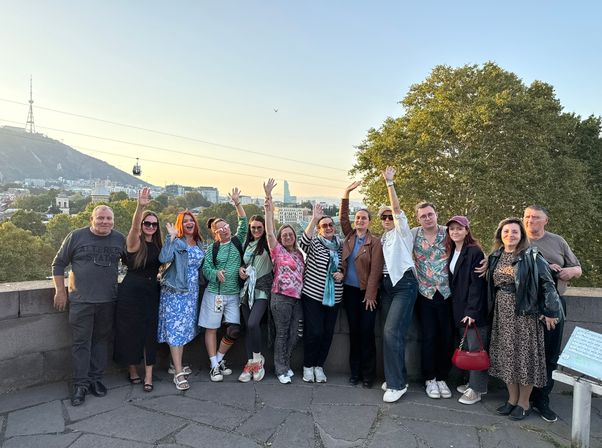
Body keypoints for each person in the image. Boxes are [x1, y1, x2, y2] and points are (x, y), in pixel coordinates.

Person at [487, 217, 561, 420]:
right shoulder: (495, 256)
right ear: (500, 235)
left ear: (521, 235)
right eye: (506, 231)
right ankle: (512, 400)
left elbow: (547, 283)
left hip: (525, 314)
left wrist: (551, 311)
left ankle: (524, 403)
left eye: (515, 232)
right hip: (502, 314)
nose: (510, 235)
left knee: (525, 358)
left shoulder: (531, 255)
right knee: (507, 357)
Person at [52, 205, 125, 406]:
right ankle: (80, 384)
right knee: (81, 343)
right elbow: (58, 263)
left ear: (113, 221)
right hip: (81, 301)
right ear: (91, 219)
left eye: (108, 218)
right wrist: (60, 291)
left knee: (101, 342)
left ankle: (95, 379)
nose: (105, 222)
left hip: (108, 301)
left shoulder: (120, 239)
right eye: (100, 218)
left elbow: (135, 261)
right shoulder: (76, 236)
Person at [524, 205, 581, 422]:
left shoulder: (557, 241)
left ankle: (542, 399)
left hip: (555, 304)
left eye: (536, 217)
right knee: (526, 352)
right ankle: (523, 399)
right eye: (527, 216)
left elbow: (577, 268)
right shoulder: (517, 238)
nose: (530, 220)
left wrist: (569, 271)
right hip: (527, 305)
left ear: (546, 221)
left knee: (550, 353)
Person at [114, 188, 162, 392]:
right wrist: (140, 207)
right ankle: (133, 370)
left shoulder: (159, 245)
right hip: (131, 291)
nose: (150, 226)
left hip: (151, 291)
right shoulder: (134, 243)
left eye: (154, 224)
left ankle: (149, 375)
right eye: (147, 223)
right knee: (129, 331)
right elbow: (134, 229)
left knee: (150, 332)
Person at [379, 167, 418, 403]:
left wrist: (390, 183)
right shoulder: (383, 238)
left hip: (404, 284)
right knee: (392, 335)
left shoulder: (403, 232)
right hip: (387, 286)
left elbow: (396, 210)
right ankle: (397, 376)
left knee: (391, 332)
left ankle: (397, 384)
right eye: (382, 217)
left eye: (389, 217)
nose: (387, 219)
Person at [200, 188, 248, 382]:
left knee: (234, 330)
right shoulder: (212, 248)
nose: (225, 229)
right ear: (215, 233)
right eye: (220, 229)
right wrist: (215, 274)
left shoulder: (237, 241)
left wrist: (237, 203)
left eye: (226, 226)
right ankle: (214, 366)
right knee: (211, 328)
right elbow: (206, 269)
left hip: (233, 294)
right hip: (215, 294)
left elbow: (244, 223)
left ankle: (218, 359)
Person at [339, 181, 384, 389]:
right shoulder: (349, 236)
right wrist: (346, 193)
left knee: (366, 333)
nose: (360, 220)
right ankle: (355, 373)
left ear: (369, 222)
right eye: (357, 218)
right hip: (349, 293)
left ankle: (368, 375)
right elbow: (342, 218)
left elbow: (376, 270)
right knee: (354, 333)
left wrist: (371, 295)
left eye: (364, 218)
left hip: (367, 294)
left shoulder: (374, 242)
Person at [158, 210, 205, 391]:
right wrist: (170, 238)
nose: (188, 223)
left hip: (191, 293)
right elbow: (164, 258)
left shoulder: (199, 243)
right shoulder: (177, 241)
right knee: (175, 330)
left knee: (183, 330)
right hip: (176, 292)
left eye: (191, 220)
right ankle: (178, 373)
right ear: (180, 224)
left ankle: (174, 364)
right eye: (184, 221)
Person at [412, 202, 455, 399]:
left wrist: (485, 261)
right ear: (418, 219)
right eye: (423, 216)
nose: (427, 218)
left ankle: (442, 377)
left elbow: (469, 246)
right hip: (425, 293)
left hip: (447, 293)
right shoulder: (414, 235)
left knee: (446, 337)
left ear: (436, 214)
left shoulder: (448, 233)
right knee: (428, 337)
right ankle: (429, 378)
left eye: (430, 214)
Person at [264, 179, 305, 384]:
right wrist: (268, 200)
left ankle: (286, 363)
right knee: (281, 334)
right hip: (280, 297)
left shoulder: (299, 253)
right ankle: (281, 369)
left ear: (294, 237)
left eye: (290, 234)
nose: (287, 237)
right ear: (281, 238)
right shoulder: (277, 251)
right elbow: (269, 231)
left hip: (297, 299)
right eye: (284, 235)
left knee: (295, 334)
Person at [444, 215, 488, 405]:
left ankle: (477, 389)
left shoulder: (474, 251)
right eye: (452, 229)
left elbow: (477, 285)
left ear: (467, 231)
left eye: (459, 228)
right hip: (459, 307)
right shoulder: (453, 250)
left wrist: (472, 311)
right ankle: (472, 383)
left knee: (476, 348)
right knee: (469, 347)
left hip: (473, 309)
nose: (455, 232)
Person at [300, 202, 344, 383]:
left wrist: (342, 273)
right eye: (324, 225)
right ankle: (308, 366)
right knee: (315, 332)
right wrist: (314, 219)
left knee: (327, 333)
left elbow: (346, 265)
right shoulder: (315, 242)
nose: (328, 228)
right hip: (313, 295)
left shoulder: (340, 245)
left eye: (330, 225)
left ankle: (319, 366)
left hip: (335, 297)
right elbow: (303, 242)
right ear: (319, 229)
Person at [238, 213, 274, 382]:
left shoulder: (267, 243)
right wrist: (241, 269)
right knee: (249, 328)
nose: (256, 230)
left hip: (262, 290)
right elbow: (244, 263)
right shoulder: (247, 244)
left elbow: (272, 231)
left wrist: (269, 207)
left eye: (260, 227)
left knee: (253, 323)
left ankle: (258, 360)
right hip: (247, 291)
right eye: (253, 227)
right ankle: (250, 363)